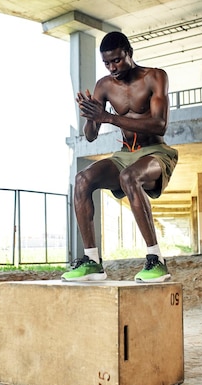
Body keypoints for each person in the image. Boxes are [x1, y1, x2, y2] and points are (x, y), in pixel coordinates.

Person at [62, 31, 178, 283]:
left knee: (129, 177)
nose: (112, 67)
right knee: (82, 179)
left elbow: (159, 125)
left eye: (116, 60)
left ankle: (155, 260)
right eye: (107, 63)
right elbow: (91, 136)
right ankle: (92, 261)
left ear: (129, 53)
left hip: (156, 152)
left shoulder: (154, 77)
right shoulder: (104, 86)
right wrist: (90, 116)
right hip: (125, 154)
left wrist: (108, 117)